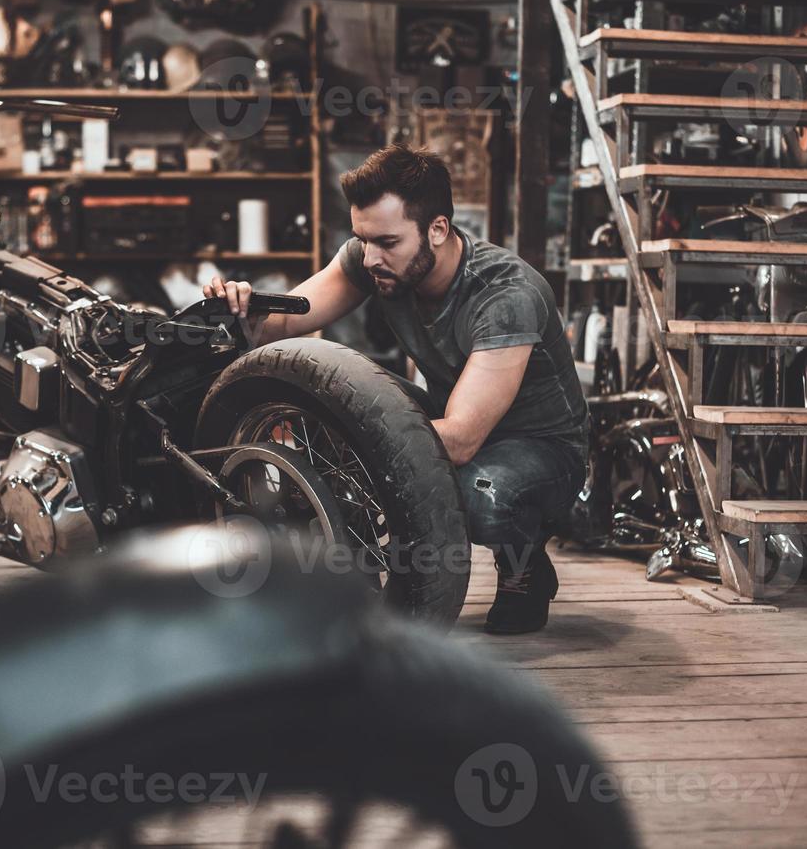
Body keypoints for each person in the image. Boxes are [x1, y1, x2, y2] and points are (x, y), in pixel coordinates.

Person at [204, 144, 588, 634]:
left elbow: (464, 439)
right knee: (333, 395)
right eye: (362, 239)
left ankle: (524, 565)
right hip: (454, 416)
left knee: (477, 497)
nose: (371, 257)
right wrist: (242, 307)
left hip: (542, 450)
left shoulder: (506, 294)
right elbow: (283, 322)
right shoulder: (376, 260)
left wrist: (355, 445)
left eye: (387, 241)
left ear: (438, 230)